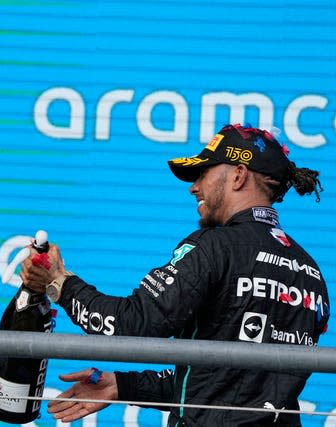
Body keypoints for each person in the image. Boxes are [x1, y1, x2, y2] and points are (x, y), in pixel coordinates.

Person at [20, 123, 329, 426]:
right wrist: (121, 386)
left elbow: (131, 324)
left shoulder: (215, 247)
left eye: (204, 173)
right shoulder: (311, 272)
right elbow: (228, 385)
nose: (194, 187)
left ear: (238, 175)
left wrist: (59, 282)